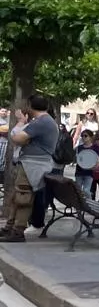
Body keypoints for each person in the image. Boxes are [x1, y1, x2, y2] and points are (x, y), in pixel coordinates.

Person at [4, 95, 60, 243]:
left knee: (23, 197)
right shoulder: (45, 122)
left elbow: (17, 139)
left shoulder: (41, 123)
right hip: (32, 163)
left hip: (33, 165)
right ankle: (10, 227)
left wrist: (21, 123)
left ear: (29, 106)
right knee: (18, 197)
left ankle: (17, 230)